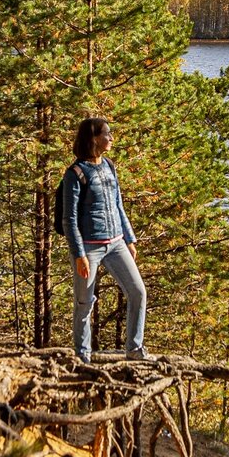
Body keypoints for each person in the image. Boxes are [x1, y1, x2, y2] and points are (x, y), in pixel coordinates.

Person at [61, 117, 148, 363]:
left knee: (138, 292)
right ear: (93, 138)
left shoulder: (109, 165)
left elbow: (118, 205)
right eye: (106, 134)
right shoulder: (75, 173)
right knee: (84, 303)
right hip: (89, 248)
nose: (111, 138)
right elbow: (69, 219)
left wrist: (129, 238)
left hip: (117, 243)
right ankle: (82, 357)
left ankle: (134, 349)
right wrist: (78, 254)